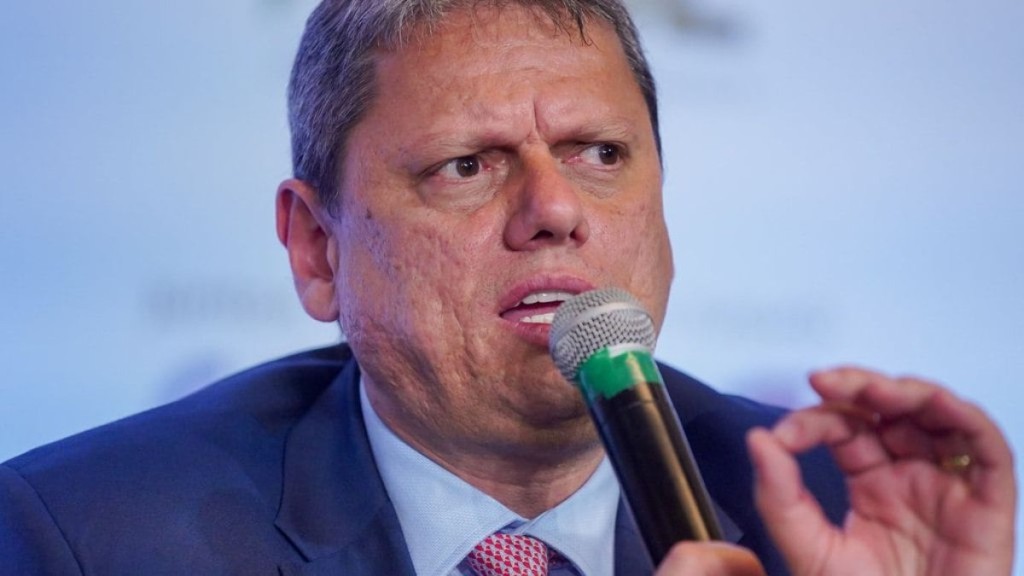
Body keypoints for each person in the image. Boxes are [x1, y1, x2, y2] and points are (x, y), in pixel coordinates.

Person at [0, 0, 1015, 574]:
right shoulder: (89, 538)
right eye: (467, 166)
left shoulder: (836, 516)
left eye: (599, 154)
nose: (555, 209)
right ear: (317, 250)